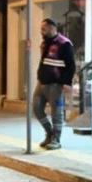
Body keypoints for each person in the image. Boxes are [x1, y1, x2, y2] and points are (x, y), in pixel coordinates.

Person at [34, 17, 76, 150]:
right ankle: (49, 133)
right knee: (36, 107)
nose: (41, 31)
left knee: (56, 112)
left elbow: (71, 65)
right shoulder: (45, 43)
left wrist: (67, 82)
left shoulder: (64, 44)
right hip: (42, 82)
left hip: (56, 84)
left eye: (44, 29)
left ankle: (56, 139)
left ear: (52, 28)